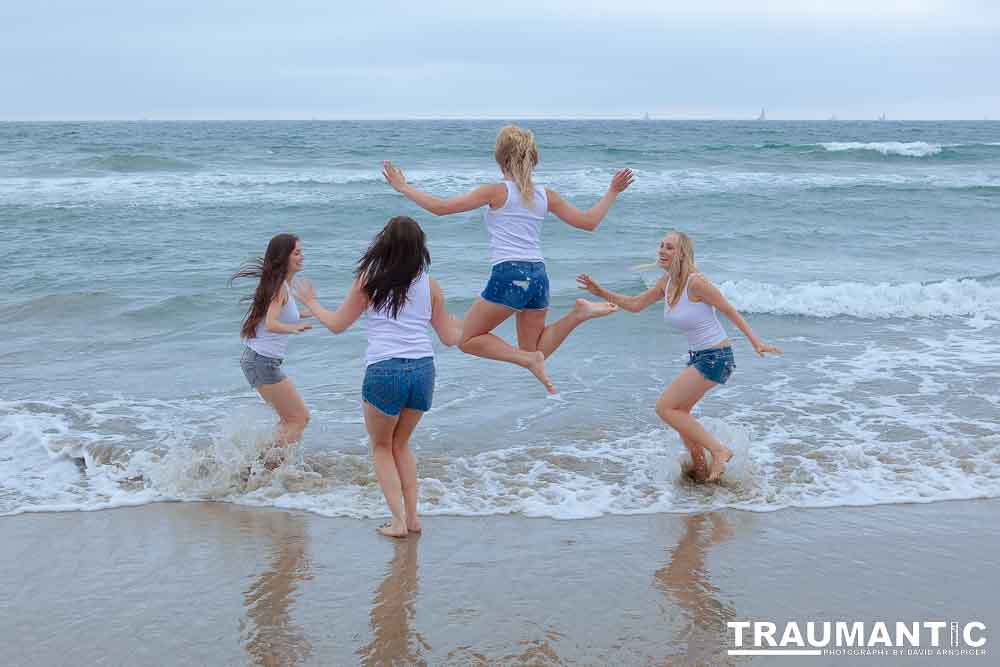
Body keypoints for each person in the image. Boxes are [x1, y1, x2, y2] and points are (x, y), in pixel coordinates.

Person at [382, 124, 633, 394]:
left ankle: (528, 358)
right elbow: (589, 222)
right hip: (538, 277)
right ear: (533, 159)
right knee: (535, 349)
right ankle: (577, 315)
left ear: (501, 160)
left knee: (468, 340)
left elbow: (441, 208)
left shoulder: (496, 191)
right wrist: (612, 191)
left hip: (511, 275)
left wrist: (403, 187)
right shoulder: (546, 196)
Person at [294, 216, 462, 537]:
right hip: (423, 370)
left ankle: (397, 522)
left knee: (382, 447)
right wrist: (464, 324)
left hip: (385, 370)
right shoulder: (431, 285)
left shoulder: (370, 279)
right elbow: (450, 339)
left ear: (384, 243)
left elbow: (337, 324)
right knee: (402, 445)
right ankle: (413, 518)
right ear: (419, 248)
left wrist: (312, 302)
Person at [577, 230, 781, 482]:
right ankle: (701, 471)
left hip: (716, 357)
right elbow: (635, 305)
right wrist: (600, 292)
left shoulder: (696, 282)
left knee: (664, 408)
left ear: (682, 254)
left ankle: (719, 450)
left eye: (670, 247)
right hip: (700, 357)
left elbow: (728, 310)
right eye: (661, 245)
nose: (662, 250)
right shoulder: (667, 283)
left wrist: (756, 342)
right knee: (680, 413)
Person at [231, 233, 312, 468]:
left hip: (259, 361)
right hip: (262, 362)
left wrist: (314, 311)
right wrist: (294, 328)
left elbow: (285, 314)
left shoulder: (281, 285)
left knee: (290, 420)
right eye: (296, 252)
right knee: (299, 418)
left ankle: (266, 467)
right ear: (283, 257)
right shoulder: (279, 288)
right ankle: (262, 467)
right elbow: (272, 323)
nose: (302, 257)